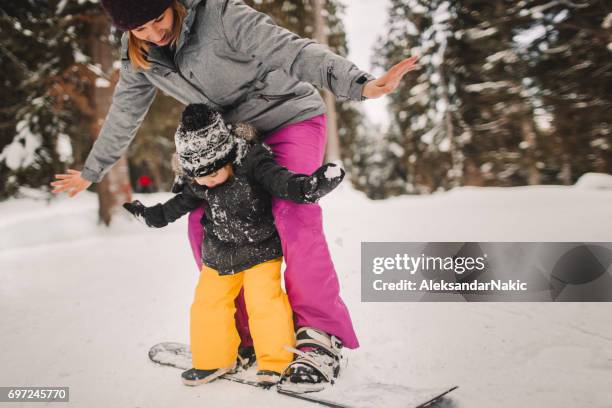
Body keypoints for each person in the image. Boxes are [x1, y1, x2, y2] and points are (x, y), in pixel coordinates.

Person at [50, 0, 418, 391]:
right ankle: (248, 335)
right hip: (227, 141)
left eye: (159, 19)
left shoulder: (222, 15)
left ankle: (319, 335)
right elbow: (125, 111)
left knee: (293, 211)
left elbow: (291, 49)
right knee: (202, 226)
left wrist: (359, 83)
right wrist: (92, 170)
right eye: (140, 29)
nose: (154, 34)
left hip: (287, 117)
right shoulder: (140, 54)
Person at [123, 103, 346, 386]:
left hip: (260, 252)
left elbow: (281, 181)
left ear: (226, 154)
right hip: (218, 256)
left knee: (264, 303)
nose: (208, 180)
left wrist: (308, 187)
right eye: (199, 175)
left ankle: (275, 362)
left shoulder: (252, 162)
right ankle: (213, 360)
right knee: (207, 305)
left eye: (215, 171)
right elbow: (178, 205)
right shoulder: (199, 180)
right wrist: (152, 216)